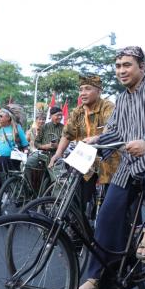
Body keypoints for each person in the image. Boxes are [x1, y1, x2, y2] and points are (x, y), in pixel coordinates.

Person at [77, 46, 145, 289]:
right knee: (106, 217)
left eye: (127, 65)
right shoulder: (122, 98)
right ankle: (96, 275)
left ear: (142, 67)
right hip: (129, 167)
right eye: (118, 66)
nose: (121, 70)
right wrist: (97, 140)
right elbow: (115, 132)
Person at [48, 75, 120, 211]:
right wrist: (58, 154)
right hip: (85, 159)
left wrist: (97, 138)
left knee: (114, 202)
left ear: (99, 91)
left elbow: (111, 125)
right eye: (81, 90)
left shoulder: (107, 106)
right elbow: (67, 134)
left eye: (87, 89)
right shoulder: (78, 111)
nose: (83, 93)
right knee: (78, 196)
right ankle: (79, 225)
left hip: (108, 158)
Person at [24, 106, 64, 189]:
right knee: (28, 164)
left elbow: (66, 143)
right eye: (57, 115)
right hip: (42, 153)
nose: (59, 117)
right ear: (51, 116)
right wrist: (44, 146)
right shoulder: (45, 127)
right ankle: (30, 188)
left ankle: (55, 199)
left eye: (61, 115)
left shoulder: (64, 128)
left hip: (55, 155)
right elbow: (36, 143)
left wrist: (57, 146)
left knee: (57, 179)